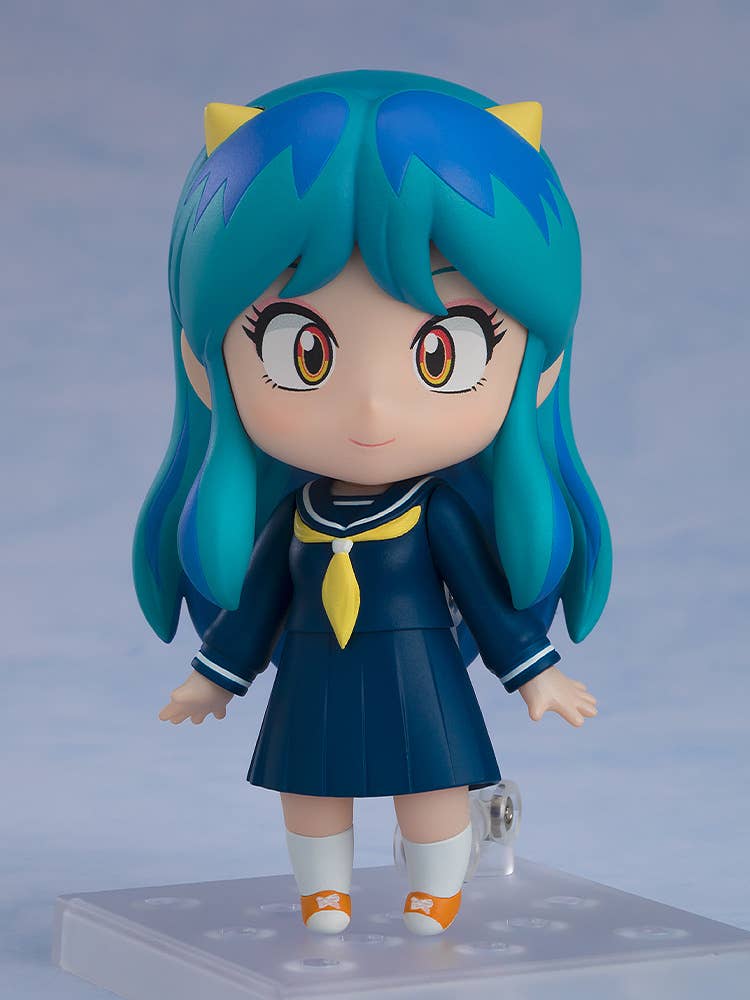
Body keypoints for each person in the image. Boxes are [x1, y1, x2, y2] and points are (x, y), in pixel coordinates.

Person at [133, 70, 611, 936]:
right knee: (310, 790)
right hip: (315, 677)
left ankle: (436, 889)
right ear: (206, 363)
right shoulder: (294, 523)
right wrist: (214, 679)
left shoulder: (439, 515)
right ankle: (324, 892)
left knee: (431, 784)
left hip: (421, 677)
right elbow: (257, 610)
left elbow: (489, 606)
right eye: (303, 352)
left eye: (442, 354)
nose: (372, 411)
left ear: (537, 367)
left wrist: (536, 673)